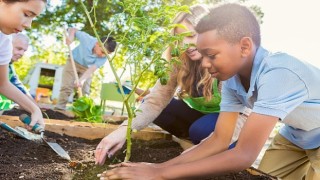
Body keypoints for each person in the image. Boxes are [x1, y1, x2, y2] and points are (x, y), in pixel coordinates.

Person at [99, 3, 320, 180]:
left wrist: (159, 173)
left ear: (244, 46)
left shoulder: (278, 73)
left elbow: (244, 154)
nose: (204, 63)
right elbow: (218, 140)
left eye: (211, 55)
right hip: (295, 135)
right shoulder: (233, 79)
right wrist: (158, 167)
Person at [95, 4, 248, 166]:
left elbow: (244, 115)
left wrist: (195, 154)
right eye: (179, 38)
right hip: (200, 116)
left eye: (191, 36)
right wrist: (123, 131)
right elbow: (155, 101)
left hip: (231, 119)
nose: (184, 45)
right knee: (152, 105)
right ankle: (193, 139)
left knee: (200, 130)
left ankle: (204, 140)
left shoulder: (227, 62)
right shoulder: (178, 62)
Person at [0, 0, 46, 129]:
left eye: (33, 18)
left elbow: (2, 83)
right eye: (27, 14)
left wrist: (34, 109)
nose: (29, 25)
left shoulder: (3, 40)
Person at [55, 28, 117, 111]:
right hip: (73, 61)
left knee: (85, 90)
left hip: (87, 68)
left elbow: (91, 69)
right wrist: (71, 37)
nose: (103, 56)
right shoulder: (87, 39)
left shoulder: (104, 57)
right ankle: (59, 108)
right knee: (67, 86)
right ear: (97, 44)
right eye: (102, 52)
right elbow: (72, 29)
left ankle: (82, 111)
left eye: (106, 54)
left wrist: (81, 80)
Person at [0, 33, 36, 110]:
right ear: (7, 45)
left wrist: (35, 108)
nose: (22, 54)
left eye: (24, 51)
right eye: (19, 49)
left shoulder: (10, 67)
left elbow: (20, 88)